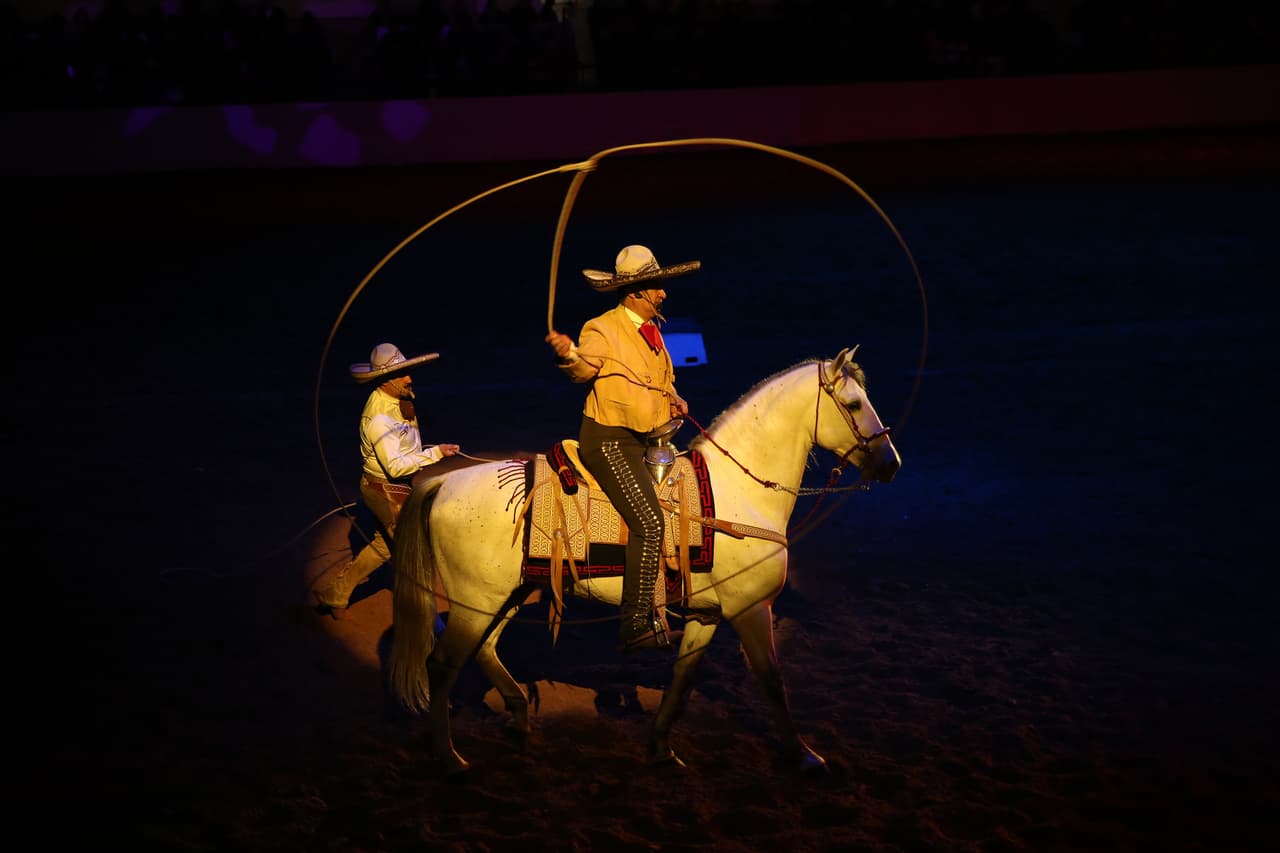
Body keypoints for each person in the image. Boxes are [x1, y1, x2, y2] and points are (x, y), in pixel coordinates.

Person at [545, 244, 700, 653]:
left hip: (645, 440)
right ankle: (634, 625)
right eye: (656, 287)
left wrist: (674, 397)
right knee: (650, 524)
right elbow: (584, 368)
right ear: (635, 293)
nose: (663, 293)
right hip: (610, 441)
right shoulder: (602, 328)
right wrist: (568, 354)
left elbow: (657, 378)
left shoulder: (654, 331)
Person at [313, 342, 461, 612]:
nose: (409, 377)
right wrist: (435, 454)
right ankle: (430, 621)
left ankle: (336, 593)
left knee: (386, 545)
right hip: (385, 489)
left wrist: (433, 451)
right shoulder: (380, 418)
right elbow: (394, 468)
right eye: (400, 374)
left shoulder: (398, 401)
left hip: (395, 486)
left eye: (407, 371)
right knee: (414, 552)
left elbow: (405, 453)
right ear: (384, 381)